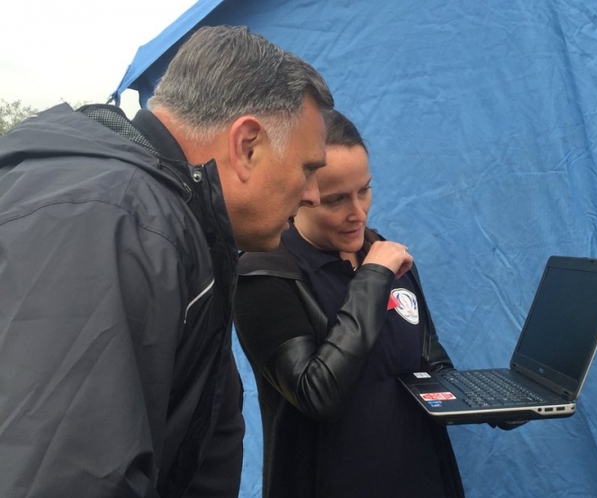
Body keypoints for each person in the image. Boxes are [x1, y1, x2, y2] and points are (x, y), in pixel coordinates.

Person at [0, 26, 333, 498]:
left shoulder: (158, 216)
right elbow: (60, 477)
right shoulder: (113, 220)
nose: (313, 195)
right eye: (308, 168)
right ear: (248, 146)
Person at [233, 110, 465, 498]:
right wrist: (372, 280)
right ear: (301, 193)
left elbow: (430, 361)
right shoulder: (264, 274)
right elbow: (316, 393)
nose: (357, 213)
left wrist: (490, 402)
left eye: (364, 190)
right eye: (336, 199)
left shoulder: (383, 252)